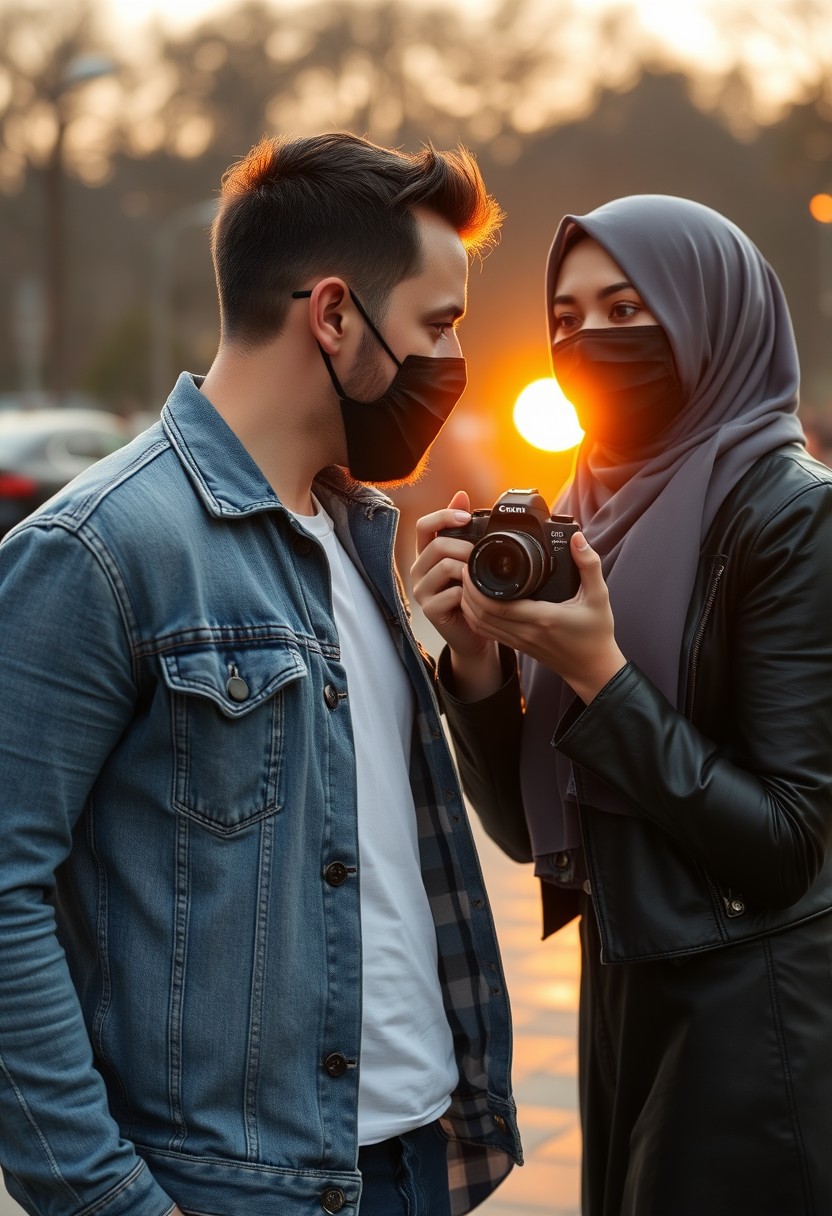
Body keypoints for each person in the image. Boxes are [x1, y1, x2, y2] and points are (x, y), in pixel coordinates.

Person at [0, 133, 523, 1216]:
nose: (449, 362)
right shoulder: (97, 550)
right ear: (333, 316)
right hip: (228, 1191)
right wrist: (106, 1200)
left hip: (413, 1166)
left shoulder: (360, 538)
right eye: (437, 325)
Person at [412, 194, 832, 1215]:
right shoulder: (591, 509)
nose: (590, 339)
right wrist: (471, 666)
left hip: (750, 1017)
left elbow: (784, 841)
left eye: (627, 308)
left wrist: (601, 674)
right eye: (566, 318)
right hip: (625, 994)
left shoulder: (792, 517)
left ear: (709, 317)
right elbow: (527, 831)